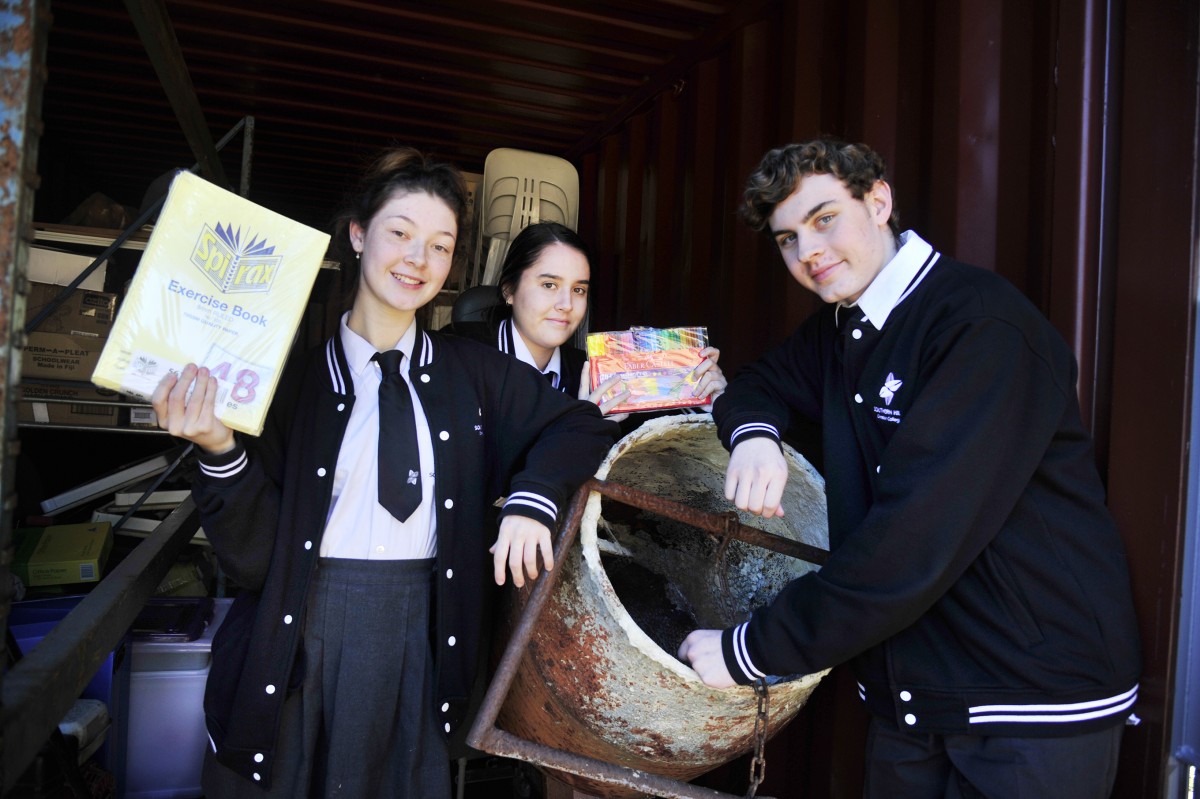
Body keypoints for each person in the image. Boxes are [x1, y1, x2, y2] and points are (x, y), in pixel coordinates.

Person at [677, 139, 1141, 798]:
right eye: (787, 238)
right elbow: (758, 383)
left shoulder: (980, 325)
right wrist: (754, 435)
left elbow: (910, 542)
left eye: (824, 219)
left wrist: (751, 650)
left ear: (879, 202)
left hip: (1029, 700)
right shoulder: (842, 329)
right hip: (915, 695)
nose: (808, 251)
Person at [152, 147, 619, 797]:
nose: (417, 259)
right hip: (303, 636)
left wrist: (533, 499)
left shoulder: (475, 374)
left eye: (440, 245)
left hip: (419, 638)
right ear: (357, 233)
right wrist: (218, 448)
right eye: (400, 233)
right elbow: (254, 564)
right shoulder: (286, 384)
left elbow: (583, 425)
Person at [446, 220, 727, 421]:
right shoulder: (457, 355)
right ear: (509, 290)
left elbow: (656, 441)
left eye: (578, 290)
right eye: (549, 285)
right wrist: (579, 429)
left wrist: (706, 398)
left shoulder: (596, 374)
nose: (566, 305)